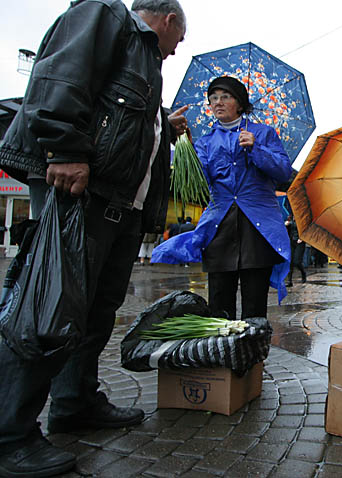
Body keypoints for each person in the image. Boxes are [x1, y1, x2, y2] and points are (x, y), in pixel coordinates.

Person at [0, 1, 187, 476]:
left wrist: (163, 125)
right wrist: (63, 147)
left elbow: (120, 118)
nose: (175, 49)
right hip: (81, 193)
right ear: (167, 21)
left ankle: (73, 401)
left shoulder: (147, 64)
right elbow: (60, 80)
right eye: (178, 40)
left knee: (93, 312)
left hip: (120, 206)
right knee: (47, 308)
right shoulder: (105, 15)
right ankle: (10, 434)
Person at [152, 76, 293, 320]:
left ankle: (254, 356)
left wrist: (256, 148)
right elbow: (196, 184)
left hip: (258, 227)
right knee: (219, 303)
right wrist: (185, 144)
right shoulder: (205, 141)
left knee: (254, 303)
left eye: (225, 96)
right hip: (219, 228)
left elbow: (283, 171)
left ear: (240, 103)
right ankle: (222, 355)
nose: (218, 102)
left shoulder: (263, 133)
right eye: (213, 98)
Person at [285, 215, 306, 287]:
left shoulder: (302, 219)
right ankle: (289, 281)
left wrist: (302, 238)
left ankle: (303, 273)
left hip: (300, 242)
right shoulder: (290, 218)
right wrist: (286, 225)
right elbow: (287, 231)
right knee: (290, 261)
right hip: (291, 242)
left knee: (297, 261)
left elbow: (306, 230)